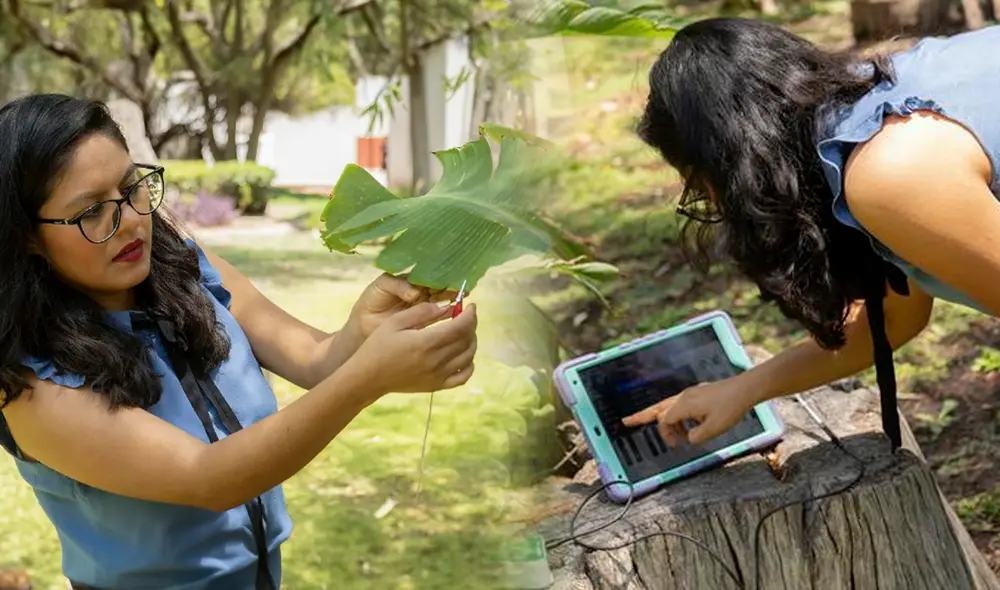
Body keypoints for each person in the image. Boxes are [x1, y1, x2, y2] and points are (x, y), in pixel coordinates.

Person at [0, 94, 478, 589]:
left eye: (130, 187)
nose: (131, 221)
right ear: (27, 237)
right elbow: (209, 479)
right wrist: (369, 379)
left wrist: (364, 329)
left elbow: (315, 359)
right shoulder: (33, 385)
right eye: (92, 211)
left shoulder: (185, 270)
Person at [622, 19, 1000, 448]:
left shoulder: (890, 173)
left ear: (731, 168)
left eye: (700, 186)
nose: (711, 205)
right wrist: (743, 390)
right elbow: (895, 319)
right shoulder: (861, 107)